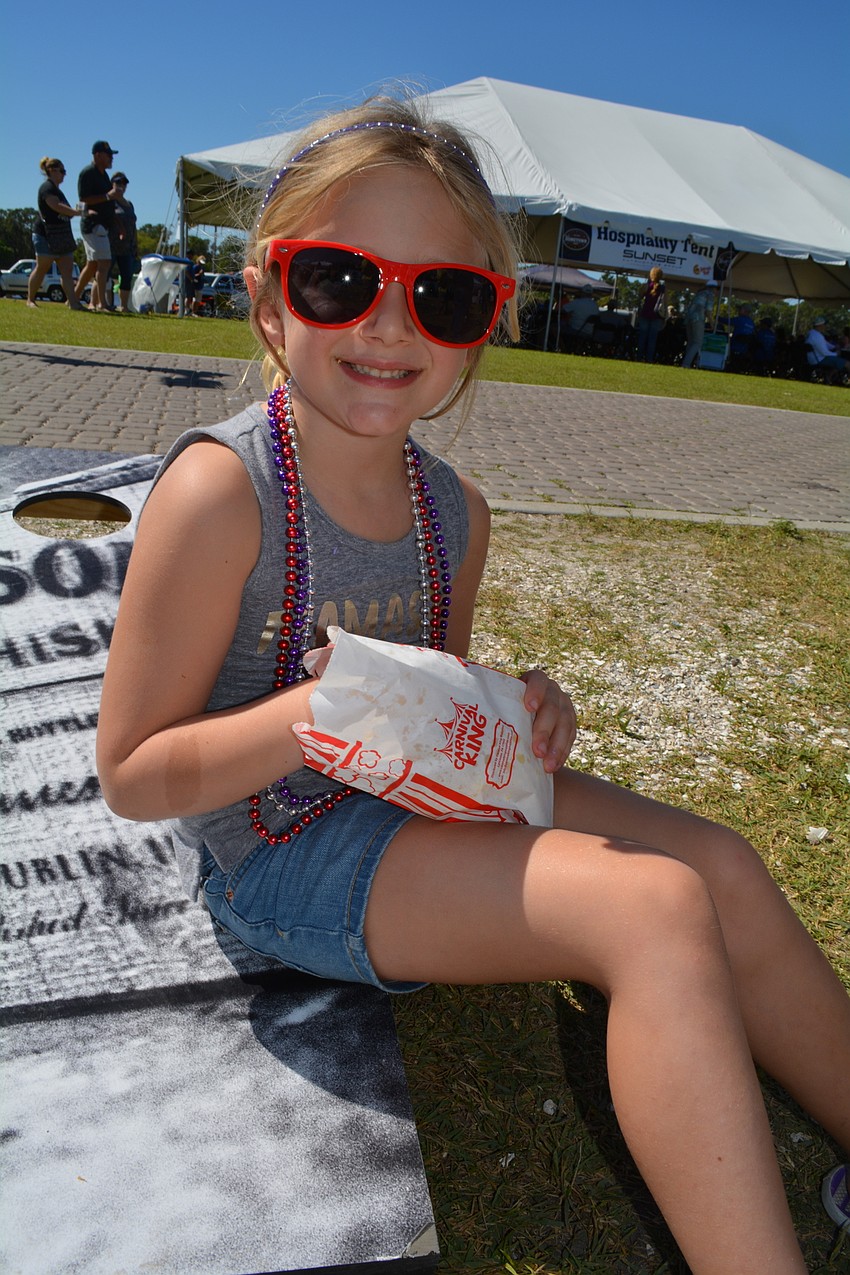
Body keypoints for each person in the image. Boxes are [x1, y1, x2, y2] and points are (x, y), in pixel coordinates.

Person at [96, 96, 849, 1274]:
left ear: (483, 324)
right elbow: (134, 773)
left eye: (442, 296)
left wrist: (517, 708)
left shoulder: (457, 512)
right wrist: (305, 717)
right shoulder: (220, 494)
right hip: (278, 854)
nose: (390, 326)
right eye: (340, 280)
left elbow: (437, 704)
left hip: (408, 811)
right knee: (650, 912)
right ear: (265, 293)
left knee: (720, 866)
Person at [26, 157, 81, 309]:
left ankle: (73, 303)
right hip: (45, 235)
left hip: (62, 236)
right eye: (62, 171)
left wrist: (73, 212)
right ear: (52, 171)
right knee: (42, 267)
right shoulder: (46, 188)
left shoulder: (58, 191)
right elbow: (55, 206)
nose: (64, 174)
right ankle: (30, 300)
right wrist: (76, 212)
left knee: (67, 270)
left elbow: (65, 211)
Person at [74, 140, 122, 312]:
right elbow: (84, 199)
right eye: (109, 155)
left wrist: (118, 224)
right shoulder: (88, 173)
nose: (111, 158)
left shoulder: (104, 176)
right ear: (98, 155)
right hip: (93, 225)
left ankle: (73, 297)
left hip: (103, 225)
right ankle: (102, 303)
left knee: (93, 265)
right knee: (104, 262)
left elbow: (109, 203)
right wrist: (108, 196)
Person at [108, 171, 138, 312]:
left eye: (124, 183)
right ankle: (106, 303)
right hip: (112, 244)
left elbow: (133, 226)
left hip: (127, 247)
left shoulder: (129, 204)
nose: (122, 186)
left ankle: (124, 306)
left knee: (126, 277)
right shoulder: (109, 201)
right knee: (105, 274)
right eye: (118, 182)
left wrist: (135, 244)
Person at [682, 280, 719, 367]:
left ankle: (686, 363)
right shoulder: (710, 295)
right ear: (714, 288)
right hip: (698, 319)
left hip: (689, 319)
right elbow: (708, 311)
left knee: (691, 342)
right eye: (717, 288)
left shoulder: (700, 293)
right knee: (697, 342)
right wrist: (712, 324)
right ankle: (686, 364)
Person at [634, 266, 666, 362]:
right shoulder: (663, 288)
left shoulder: (646, 286)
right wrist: (665, 318)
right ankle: (649, 359)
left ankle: (639, 357)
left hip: (645, 314)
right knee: (652, 339)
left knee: (642, 337)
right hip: (656, 316)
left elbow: (639, 298)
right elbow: (666, 303)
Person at [806, 317, 849, 383]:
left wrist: (835, 346)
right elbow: (825, 353)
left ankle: (828, 376)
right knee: (847, 363)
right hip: (819, 360)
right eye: (824, 324)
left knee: (840, 361)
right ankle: (829, 376)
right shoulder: (817, 336)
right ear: (820, 325)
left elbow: (827, 345)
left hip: (814, 358)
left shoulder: (812, 333)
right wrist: (837, 353)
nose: (825, 326)